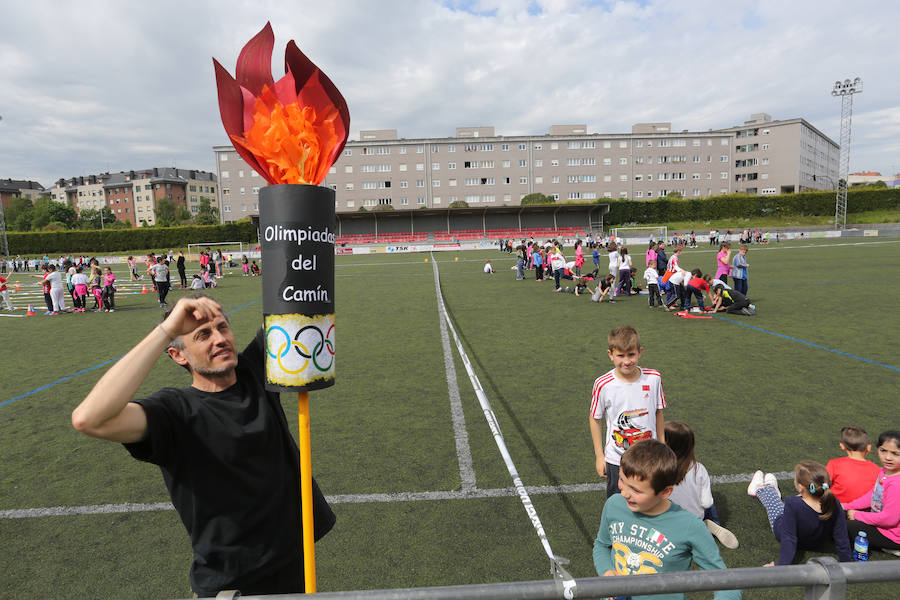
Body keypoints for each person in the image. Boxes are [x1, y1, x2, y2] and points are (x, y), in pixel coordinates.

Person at [70, 294, 336, 596]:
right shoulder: (175, 412)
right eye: (203, 334)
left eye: (223, 328)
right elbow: (88, 419)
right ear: (178, 355)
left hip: (293, 568)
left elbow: (294, 300)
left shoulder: (254, 374)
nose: (220, 338)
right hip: (231, 586)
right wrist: (168, 328)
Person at [593, 440, 741, 600]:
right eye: (622, 480)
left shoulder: (690, 526)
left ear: (665, 492)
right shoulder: (614, 505)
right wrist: (607, 572)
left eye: (636, 490)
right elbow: (602, 545)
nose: (624, 494)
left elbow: (726, 583)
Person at [589, 326, 666, 497]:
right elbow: (595, 419)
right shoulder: (603, 384)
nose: (626, 361)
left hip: (650, 459)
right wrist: (599, 456)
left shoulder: (654, 378)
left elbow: (658, 413)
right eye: (620, 355)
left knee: (650, 502)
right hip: (617, 461)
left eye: (631, 355)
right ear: (610, 355)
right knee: (618, 504)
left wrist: (663, 445)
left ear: (640, 352)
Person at [747, 461, 851, 565]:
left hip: (783, 530)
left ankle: (763, 489)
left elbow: (789, 538)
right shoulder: (835, 503)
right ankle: (770, 489)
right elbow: (841, 537)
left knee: (775, 506)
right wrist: (847, 564)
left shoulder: (792, 503)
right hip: (817, 543)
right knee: (794, 506)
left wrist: (781, 566)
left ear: (800, 487)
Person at [665, 422, 738, 549]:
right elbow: (707, 503)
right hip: (693, 522)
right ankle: (709, 525)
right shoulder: (699, 469)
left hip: (665, 524)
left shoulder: (658, 468)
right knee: (708, 502)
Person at [844, 430, 900, 556]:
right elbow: (873, 496)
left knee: (841, 527)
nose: (888, 457)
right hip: (880, 522)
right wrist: (847, 506)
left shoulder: (897, 484)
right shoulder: (885, 471)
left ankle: (892, 548)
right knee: (839, 513)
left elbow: (889, 519)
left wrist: (858, 515)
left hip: (892, 536)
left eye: (895, 453)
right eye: (883, 450)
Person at [826, 426, 882, 505]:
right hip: (862, 512)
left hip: (836, 509)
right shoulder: (878, 470)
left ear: (842, 446)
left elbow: (823, 485)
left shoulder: (834, 464)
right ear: (869, 448)